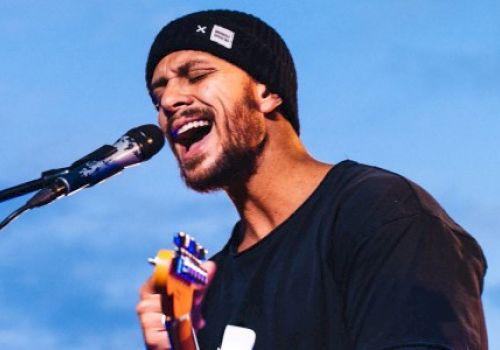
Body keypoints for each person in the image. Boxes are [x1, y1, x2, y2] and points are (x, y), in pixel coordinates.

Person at [136, 9, 488, 350]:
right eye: (157, 94)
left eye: (196, 76)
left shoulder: (380, 214)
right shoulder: (211, 291)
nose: (168, 101)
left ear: (267, 93)